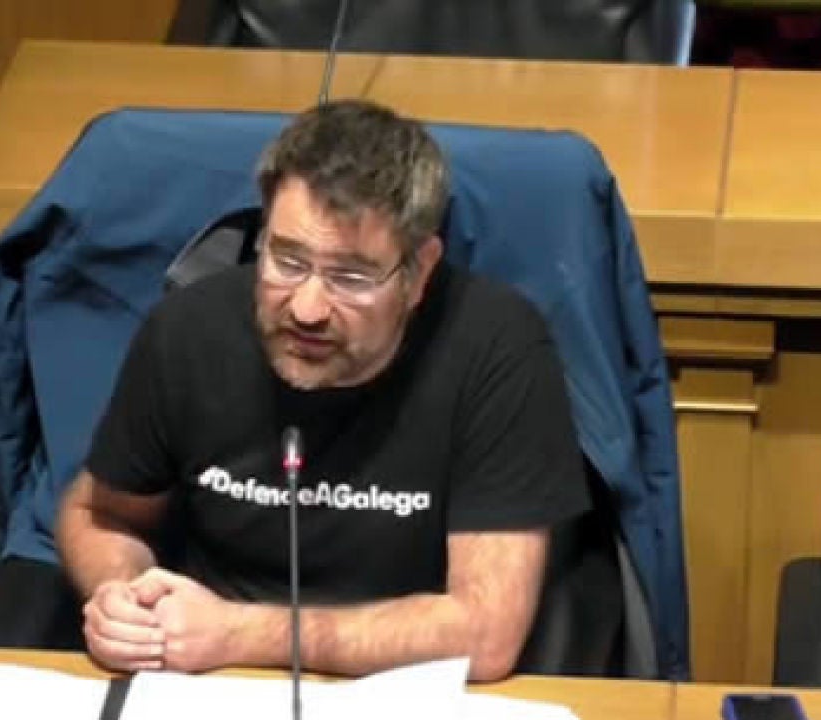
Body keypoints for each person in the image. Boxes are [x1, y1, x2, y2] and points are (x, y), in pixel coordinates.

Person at [55, 99, 590, 682]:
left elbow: (485, 634)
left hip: (401, 682)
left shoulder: (498, 350)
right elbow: (99, 513)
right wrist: (127, 598)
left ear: (419, 272)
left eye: (350, 277)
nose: (307, 309)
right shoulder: (188, 331)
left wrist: (241, 632)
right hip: (208, 678)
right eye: (287, 261)